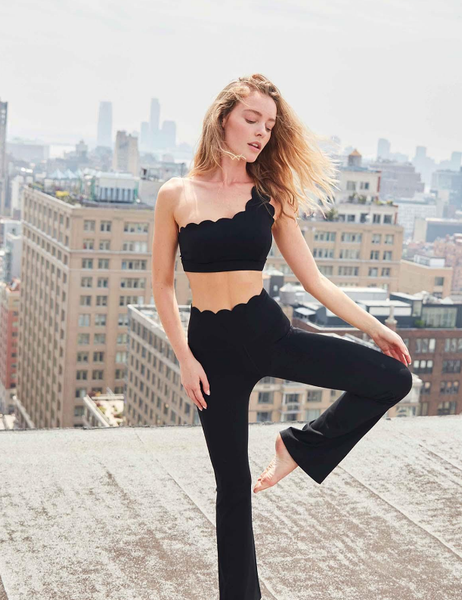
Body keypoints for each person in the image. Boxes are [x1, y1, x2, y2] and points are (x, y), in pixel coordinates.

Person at [151, 73, 413, 600]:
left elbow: (314, 281)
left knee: (393, 377)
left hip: (269, 333)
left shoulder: (270, 196)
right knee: (232, 493)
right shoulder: (175, 195)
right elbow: (159, 284)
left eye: (269, 125)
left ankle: (298, 446)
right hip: (210, 356)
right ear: (223, 115)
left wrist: (379, 328)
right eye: (252, 119)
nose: (261, 133)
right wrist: (183, 356)